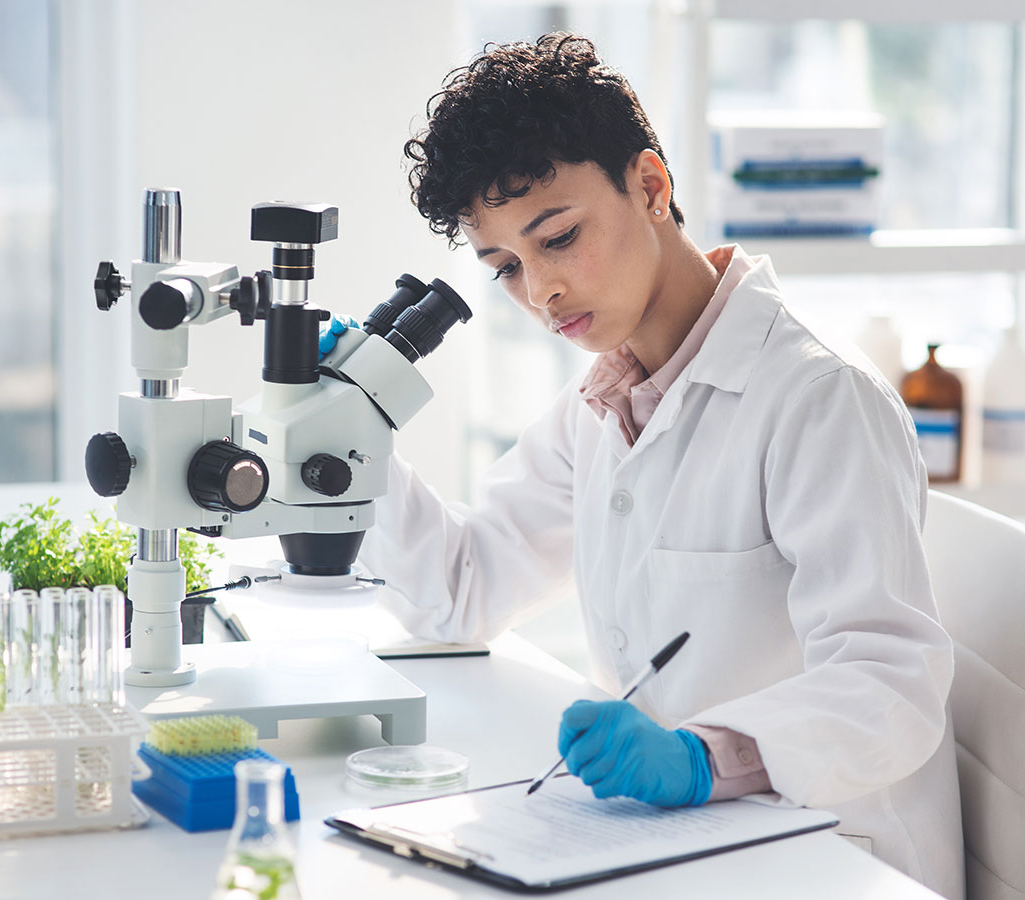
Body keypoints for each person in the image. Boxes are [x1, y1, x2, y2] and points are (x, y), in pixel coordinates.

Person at [355, 33, 965, 899]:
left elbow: (891, 685)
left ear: (650, 186)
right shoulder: (603, 403)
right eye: (505, 270)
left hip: (830, 852)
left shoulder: (818, 397)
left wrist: (701, 756)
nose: (541, 293)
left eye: (558, 237)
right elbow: (462, 590)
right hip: (676, 842)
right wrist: (357, 440)